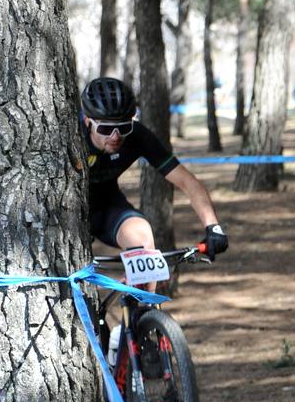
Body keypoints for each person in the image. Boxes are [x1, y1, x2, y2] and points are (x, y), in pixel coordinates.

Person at [81, 77, 229, 271]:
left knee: (142, 238)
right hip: (65, 211)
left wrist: (213, 227)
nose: (115, 136)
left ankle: (141, 300)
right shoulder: (71, 136)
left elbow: (186, 181)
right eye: (106, 129)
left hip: (106, 207)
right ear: (88, 122)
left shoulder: (138, 136)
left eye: (124, 127)